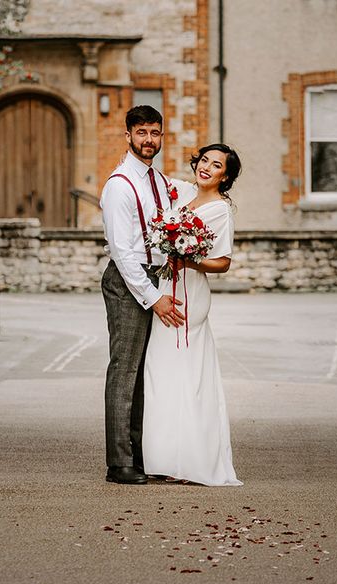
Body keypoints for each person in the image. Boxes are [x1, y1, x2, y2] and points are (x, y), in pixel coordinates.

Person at [142, 144, 243, 486]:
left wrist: (189, 260)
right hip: (165, 289)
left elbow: (223, 262)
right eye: (204, 160)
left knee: (187, 375)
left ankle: (191, 461)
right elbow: (152, 180)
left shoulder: (220, 211)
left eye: (216, 165)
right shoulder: (183, 194)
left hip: (190, 294)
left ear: (224, 176)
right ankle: (163, 457)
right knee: (160, 371)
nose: (207, 167)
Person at [100, 105, 185, 485]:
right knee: (125, 370)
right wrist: (153, 296)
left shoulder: (159, 180)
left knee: (146, 373)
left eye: (155, 133)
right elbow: (122, 252)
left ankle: (141, 453)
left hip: (155, 277)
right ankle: (119, 463)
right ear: (128, 135)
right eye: (142, 133)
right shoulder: (120, 185)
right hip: (128, 281)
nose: (149, 140)